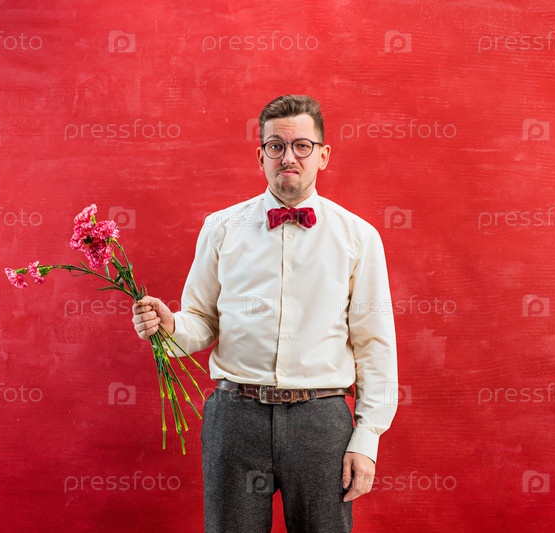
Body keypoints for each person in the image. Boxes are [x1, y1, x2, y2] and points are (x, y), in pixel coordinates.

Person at [132, 94, 398, 532]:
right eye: (276, 146)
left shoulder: (359, 237)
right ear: (261, 156)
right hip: (235, 418)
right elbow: (202, 321)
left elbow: (375, 343)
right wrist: (169, 326)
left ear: (323, 155)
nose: (288, 157)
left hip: (321, 421)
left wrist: (367, 437)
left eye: (302, 146)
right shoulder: (221, 228)